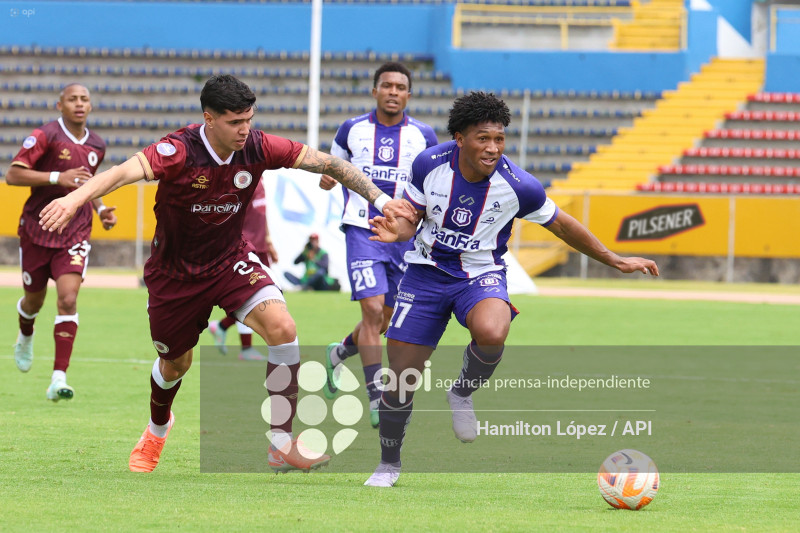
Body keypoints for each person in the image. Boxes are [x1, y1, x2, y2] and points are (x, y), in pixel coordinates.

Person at [39, 74, 403, 474]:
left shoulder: (258, 146)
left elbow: (331, 163)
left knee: (283, 328)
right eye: (235, 122)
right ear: (209, 119)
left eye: (249, 119)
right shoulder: (178, 150)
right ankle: (157, 429)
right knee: (175, 366)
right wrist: (74, 199)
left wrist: (381, 200)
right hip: (174, 276)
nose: (244, 129)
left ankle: (281, 443)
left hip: (230, 262)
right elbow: (122, 173)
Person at [364, 91, 660, 487]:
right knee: (401, 377)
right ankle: (389, 465)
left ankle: (461, 392)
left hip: (480, 274)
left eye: (499, 139)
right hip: (425, 274)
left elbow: (562, 225)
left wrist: (615, 259)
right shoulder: (428, 164)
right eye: (483, 138)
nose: (493, 148)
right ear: (460, 138)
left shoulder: (520, 185)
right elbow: (410, 218)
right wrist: (397, 232)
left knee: (492, 331)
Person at [318, 62, 438, 428]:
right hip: (362, 229)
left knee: (385, 319)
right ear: (375, 91)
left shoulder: (424, 135)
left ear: (408, 95)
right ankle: (376, 397)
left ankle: (339, 352)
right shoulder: (351, 129)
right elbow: (334, 167)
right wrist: (327, 178)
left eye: (400, 87)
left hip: (403, 236)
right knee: (372, 312)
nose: (393, 92)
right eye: (386, 85)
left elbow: (436, 182)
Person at [6, 83, 118, 402]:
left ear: (91, 106)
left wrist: (100, 209)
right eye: (72, 99)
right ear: (60, 105)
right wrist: (58, 177)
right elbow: (13, 175)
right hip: (38, 229)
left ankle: (58, 378)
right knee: (33, 302)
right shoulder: (45, 136)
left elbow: (87, 184)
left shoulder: (97, 144)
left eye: (84, 99)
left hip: (74, 230)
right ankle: (26, 332)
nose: (79, 104)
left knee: (68, 299)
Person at [207, 178, 277, 361]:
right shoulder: (241, 176)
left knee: (270, 293)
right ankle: (246, 348)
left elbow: (261, 212)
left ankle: (222, 326)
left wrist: (268, 240)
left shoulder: (260, 175)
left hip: (261, 244)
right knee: (252, 295)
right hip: (245, 244)